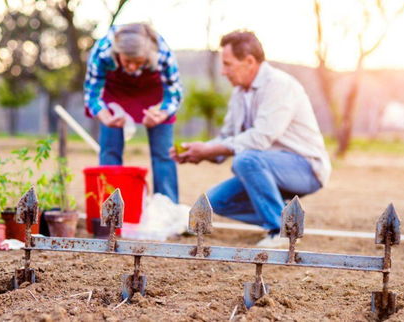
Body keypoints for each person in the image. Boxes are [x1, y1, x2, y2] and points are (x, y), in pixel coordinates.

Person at [170, 31, 331, 247]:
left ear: (249, 61)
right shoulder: (239, 93)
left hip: (305, 168)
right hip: (264, 167)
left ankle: (281, 229)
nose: (223, 71)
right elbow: (228, 137)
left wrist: (211, 150)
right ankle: (288, 214)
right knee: (216, 201)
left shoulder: (279, 85)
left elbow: (260, 138)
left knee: (245, 160)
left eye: (228, 64)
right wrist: (197, 151)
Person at [84, 23, 182, 203]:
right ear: (117, 52)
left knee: (163, 153)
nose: (131, 67)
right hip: (115, 93)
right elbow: (92, 93)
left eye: (138, 62)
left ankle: (167, 206)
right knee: (110, 150)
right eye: (126, 60)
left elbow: (174, 94)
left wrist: (161, 113)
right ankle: (110, 206)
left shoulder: (163, 54)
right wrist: (104, 115)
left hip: (153, 93)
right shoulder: (102, 52)